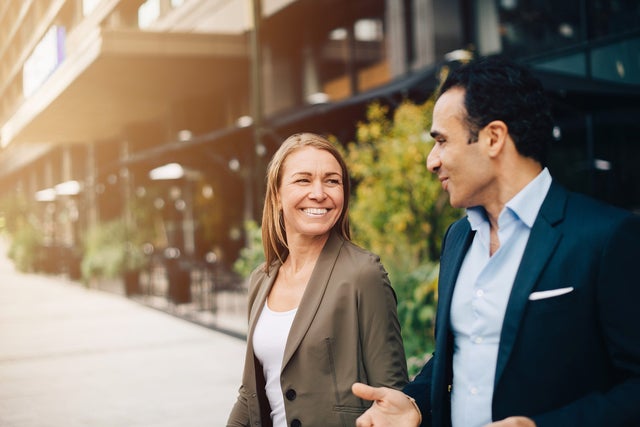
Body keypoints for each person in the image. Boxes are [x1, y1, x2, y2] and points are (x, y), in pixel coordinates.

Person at [352, 55, 640, 427]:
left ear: (493, 137)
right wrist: (416, 402)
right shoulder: (458, 238)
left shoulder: (607, 237)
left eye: (441, 141)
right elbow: (460, 351)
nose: (431, 161)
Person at [226, 132, 408, 427]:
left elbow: (392, 397)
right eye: (303, 180)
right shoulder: (261, 279)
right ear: (277, 195)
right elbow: (251, 396)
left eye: (332, 181)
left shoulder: (363, 274)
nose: (319, 193)